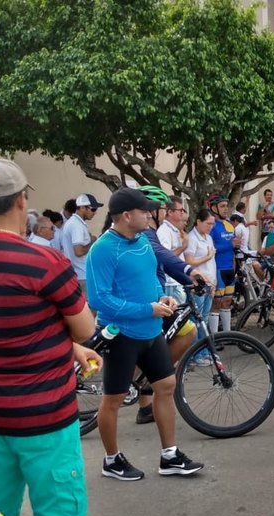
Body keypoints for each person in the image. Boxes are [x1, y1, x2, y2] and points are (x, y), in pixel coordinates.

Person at [0, 158, 99, 516]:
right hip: (44, 418)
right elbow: (85, 328)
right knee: (59, 512)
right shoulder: (44, 261)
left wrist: (68, 347)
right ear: (20, 202)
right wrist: (75, 343)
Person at [86, 187, 204, 481]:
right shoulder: (102, 249)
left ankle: (170, 456)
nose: (150, 215)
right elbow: (99, 299)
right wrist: (146, 309)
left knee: (165, 386)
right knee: (113, 399)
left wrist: (163, 299)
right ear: (127, 215)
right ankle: (111, 460)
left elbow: (149, 278)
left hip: (151, 331)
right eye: (144, 211)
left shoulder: (142, 241)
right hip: (121, 334)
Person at [131, 187, 201, 424]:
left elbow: (164, 262)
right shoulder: (147, 234)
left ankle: (145, 402)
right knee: (188, 330)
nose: (154, 215)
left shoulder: (144, 232)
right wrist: (189, 271)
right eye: (160, 209)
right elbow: (162, 255)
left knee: (146, 347)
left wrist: (188, 277)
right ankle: (152, 380)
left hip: (151, 296)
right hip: (144, 301)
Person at [208, 194, 241, 334]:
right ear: (213, 208)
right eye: (222, 206)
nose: (225, 209)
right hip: (218, 269)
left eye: (226, 206)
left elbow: (233, 248)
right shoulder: (211, 226)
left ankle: (228, 335)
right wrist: (230, 244)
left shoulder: (229, 224)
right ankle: (214, 338)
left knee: (227, 302)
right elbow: (210, 249)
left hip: (229, 269)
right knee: (217, 304)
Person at [185, 209, 217, 339]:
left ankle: (204, 351)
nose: (211, 226)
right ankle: (196, 353)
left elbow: (212, 262)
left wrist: (214, 282)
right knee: (196, 318)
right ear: (198, 221)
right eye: (208, 223)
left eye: (212, 224)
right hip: (198, 283)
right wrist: (207, 257)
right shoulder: (192, 238)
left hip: (210, 283)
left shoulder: (208, 237)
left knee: (205, 318)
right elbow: (189, 262)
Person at [62, 193, 103, 294]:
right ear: (83, 208)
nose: (95, 213)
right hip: (82, 275)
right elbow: (78, 251)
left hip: (78, 273)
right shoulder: (77, 225)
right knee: (89, 308)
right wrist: (93, 241)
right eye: (93, 209)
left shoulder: (75, 222)